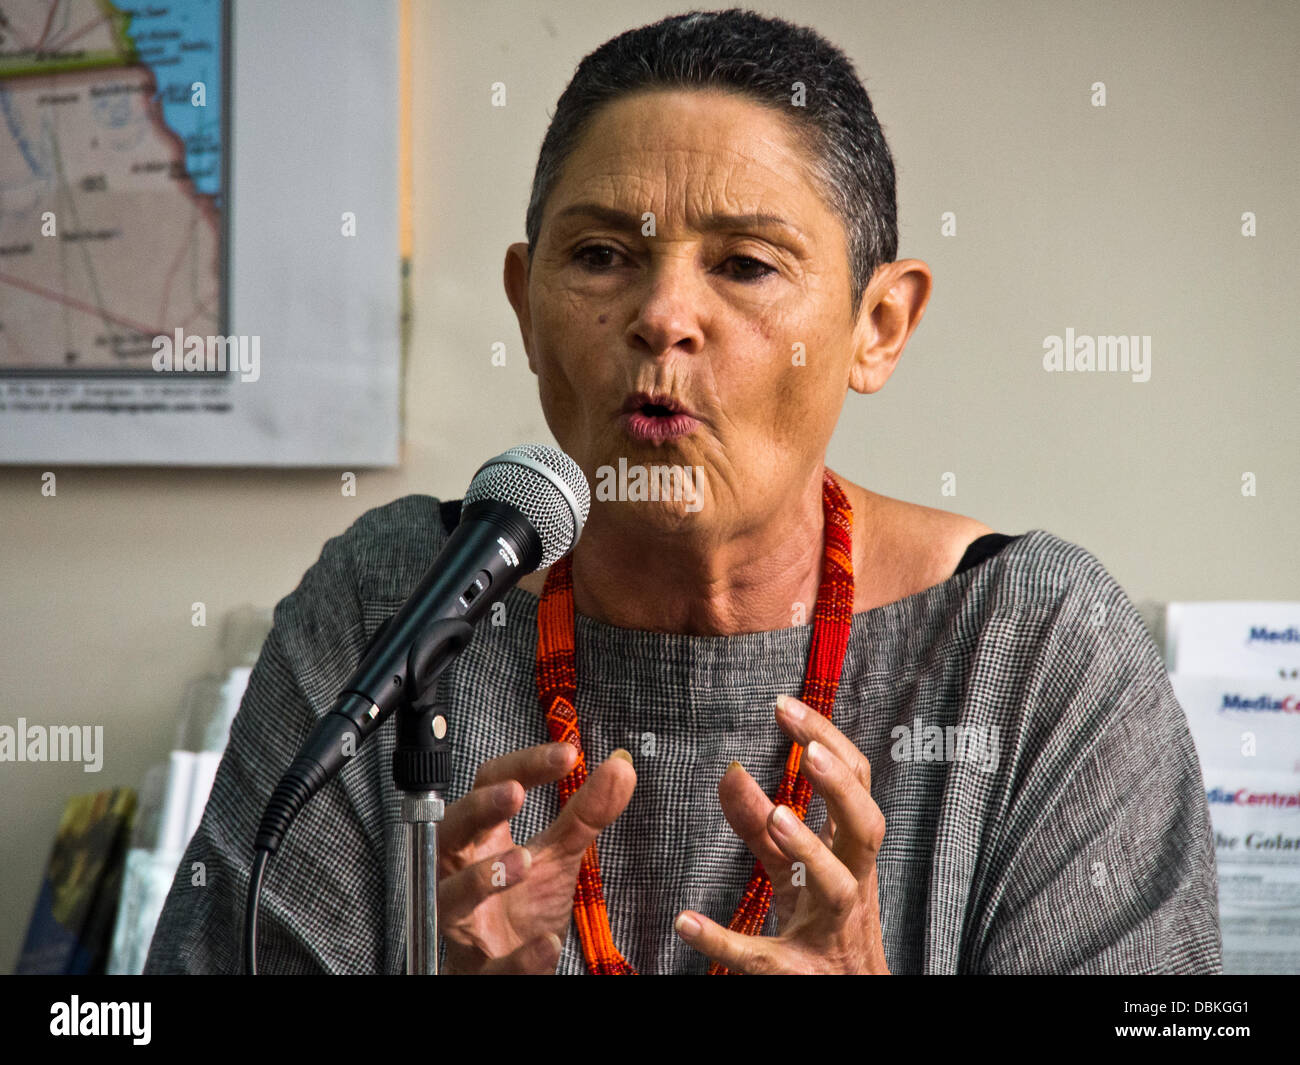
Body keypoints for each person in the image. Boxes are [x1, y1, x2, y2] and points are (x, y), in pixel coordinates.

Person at [145, 8, 1221, 975]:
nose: (663, 316)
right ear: (526, 304)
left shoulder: (1035, 646)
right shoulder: (394, 601)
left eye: (747, 265)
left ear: (877, 327)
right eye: (604, 254)